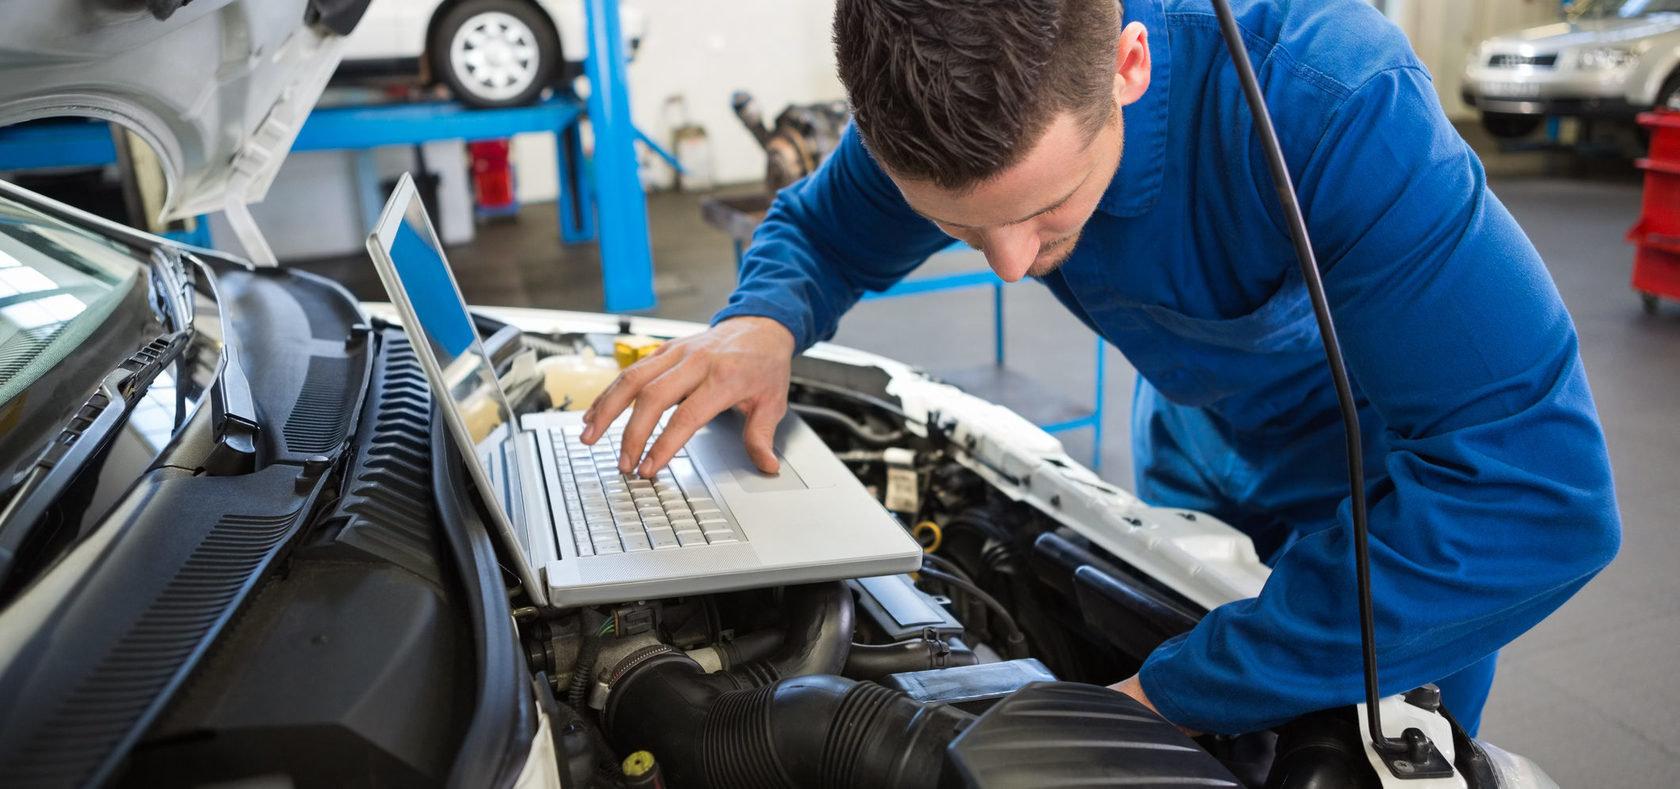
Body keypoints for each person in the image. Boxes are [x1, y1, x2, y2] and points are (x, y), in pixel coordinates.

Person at [581, 0, 1621, 736]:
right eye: (957, 227)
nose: (1010, 263)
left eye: (1044, 211)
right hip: (1191, 453)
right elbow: (822, 230)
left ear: (1130, 65)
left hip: (1390, 512)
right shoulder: (947, 95)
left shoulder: (1333, 98)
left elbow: (1533, 498)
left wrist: (1166, 699)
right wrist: (761, 322)